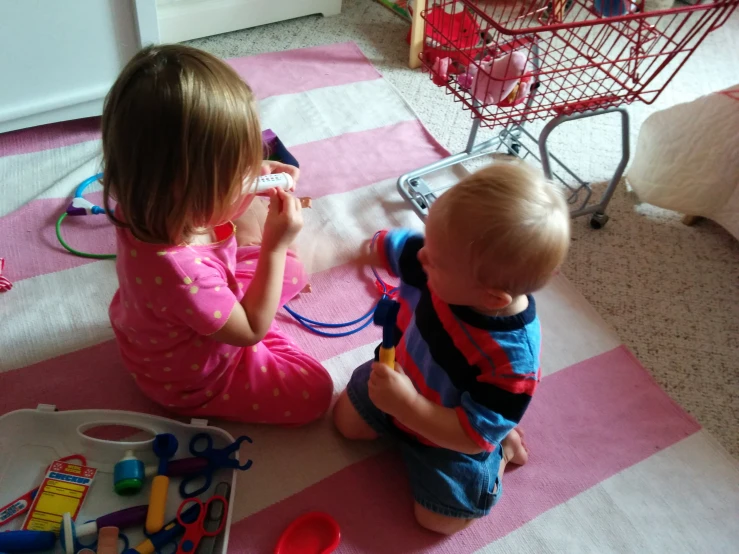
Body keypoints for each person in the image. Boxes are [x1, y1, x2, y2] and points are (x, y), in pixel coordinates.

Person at [333, 162, 570, 534]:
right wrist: (349, 250)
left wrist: (408, 405)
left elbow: (465, 435)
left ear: (490, 298)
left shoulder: (512, 362)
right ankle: (486, 430)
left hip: (453, 433)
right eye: (427, 241)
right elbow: (393, 247)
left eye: (435, 259)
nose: (421, 258)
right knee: (345, 423)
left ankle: (501, 450)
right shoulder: (445, 261)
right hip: (401, 376)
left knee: (439, 521)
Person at [103, 44, 332, 424]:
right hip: (194, 378)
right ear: (190, 188)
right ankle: (243, 331)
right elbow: (252, 332)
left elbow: (212, 203)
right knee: (315, 391)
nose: (246, 178)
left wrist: (252, 171)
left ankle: (243, 303)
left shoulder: (148, 201)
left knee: (291, 272)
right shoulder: (181, 271)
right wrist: (274, 245)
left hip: (175, 314)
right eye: (234, 172)